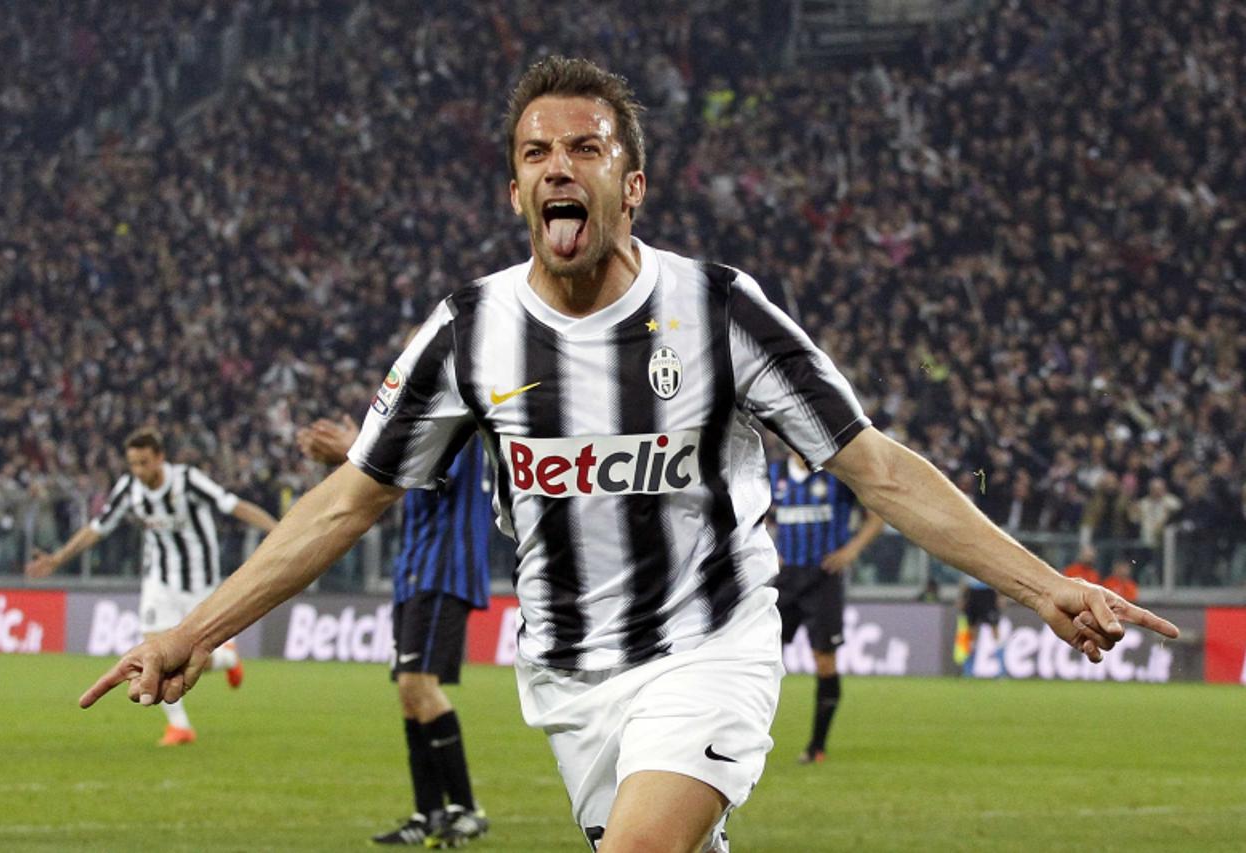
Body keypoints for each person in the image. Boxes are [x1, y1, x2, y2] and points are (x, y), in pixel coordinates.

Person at [80, 57, 1180, 853]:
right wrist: (193, 630)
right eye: (536, 153)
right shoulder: (468, 331)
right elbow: (346, 501)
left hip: (710, 645)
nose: (559, 167)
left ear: (631, 183)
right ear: (515, 190)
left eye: (586, 148)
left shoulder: (719, 311)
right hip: (569, 678)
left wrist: (1042, 584)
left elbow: (875, 466)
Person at [297, 415, 491, 847]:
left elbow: (428, 474)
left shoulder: (458, 426)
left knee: (418, 685)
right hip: (414, 572)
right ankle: (428, 812)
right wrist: (362, 451)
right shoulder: (426, 423)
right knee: (409, 694)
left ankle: (465, 809)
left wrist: (357, 451)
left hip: (443, 570)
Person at [27, 427, 276, 745]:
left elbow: (234, 505)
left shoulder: (187, 480)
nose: (138, 470)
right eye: (133, 464)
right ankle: (180, 727)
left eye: (144, 462)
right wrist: (58, 558)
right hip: (159, 580)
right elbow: (98, 527)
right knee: (154, 654)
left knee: (192, 657)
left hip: (200, 582)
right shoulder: (129, 488)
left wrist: (279, 531)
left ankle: (228, 660)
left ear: (160, 458)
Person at [769, 451, 884, 764]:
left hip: (824, 577)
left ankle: (816, 746)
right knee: (763, 656)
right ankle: (745, 741)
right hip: (786, 577)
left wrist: (852, 550)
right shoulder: (775, 474)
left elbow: (876, 515)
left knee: (824, 660)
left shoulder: (835, 475)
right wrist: (766, 547)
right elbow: (754, 514)